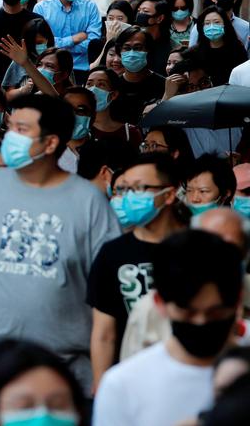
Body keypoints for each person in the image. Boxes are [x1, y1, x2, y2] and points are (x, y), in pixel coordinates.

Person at [0, 94, 121, 388]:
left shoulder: (90, 203)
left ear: (50, 143)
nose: (11, 137)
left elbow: (106, 298)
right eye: (11, 128)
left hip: (62, 367)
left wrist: (101, 387)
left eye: (22, 131)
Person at [93, 230, 246, 426]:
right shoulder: (122, 385)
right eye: (187, 312)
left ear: (238, 300)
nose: (201, 322)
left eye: (215, 312)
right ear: (159, 303)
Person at [88, 153, 186, 387]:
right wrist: (102, 388)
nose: (131, 196)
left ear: (170, 194)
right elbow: (103, 334)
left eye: (140, 188)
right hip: (132, 381)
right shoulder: (112, 254)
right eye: (125, 189)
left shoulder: (199, 247)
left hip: (187, 376)